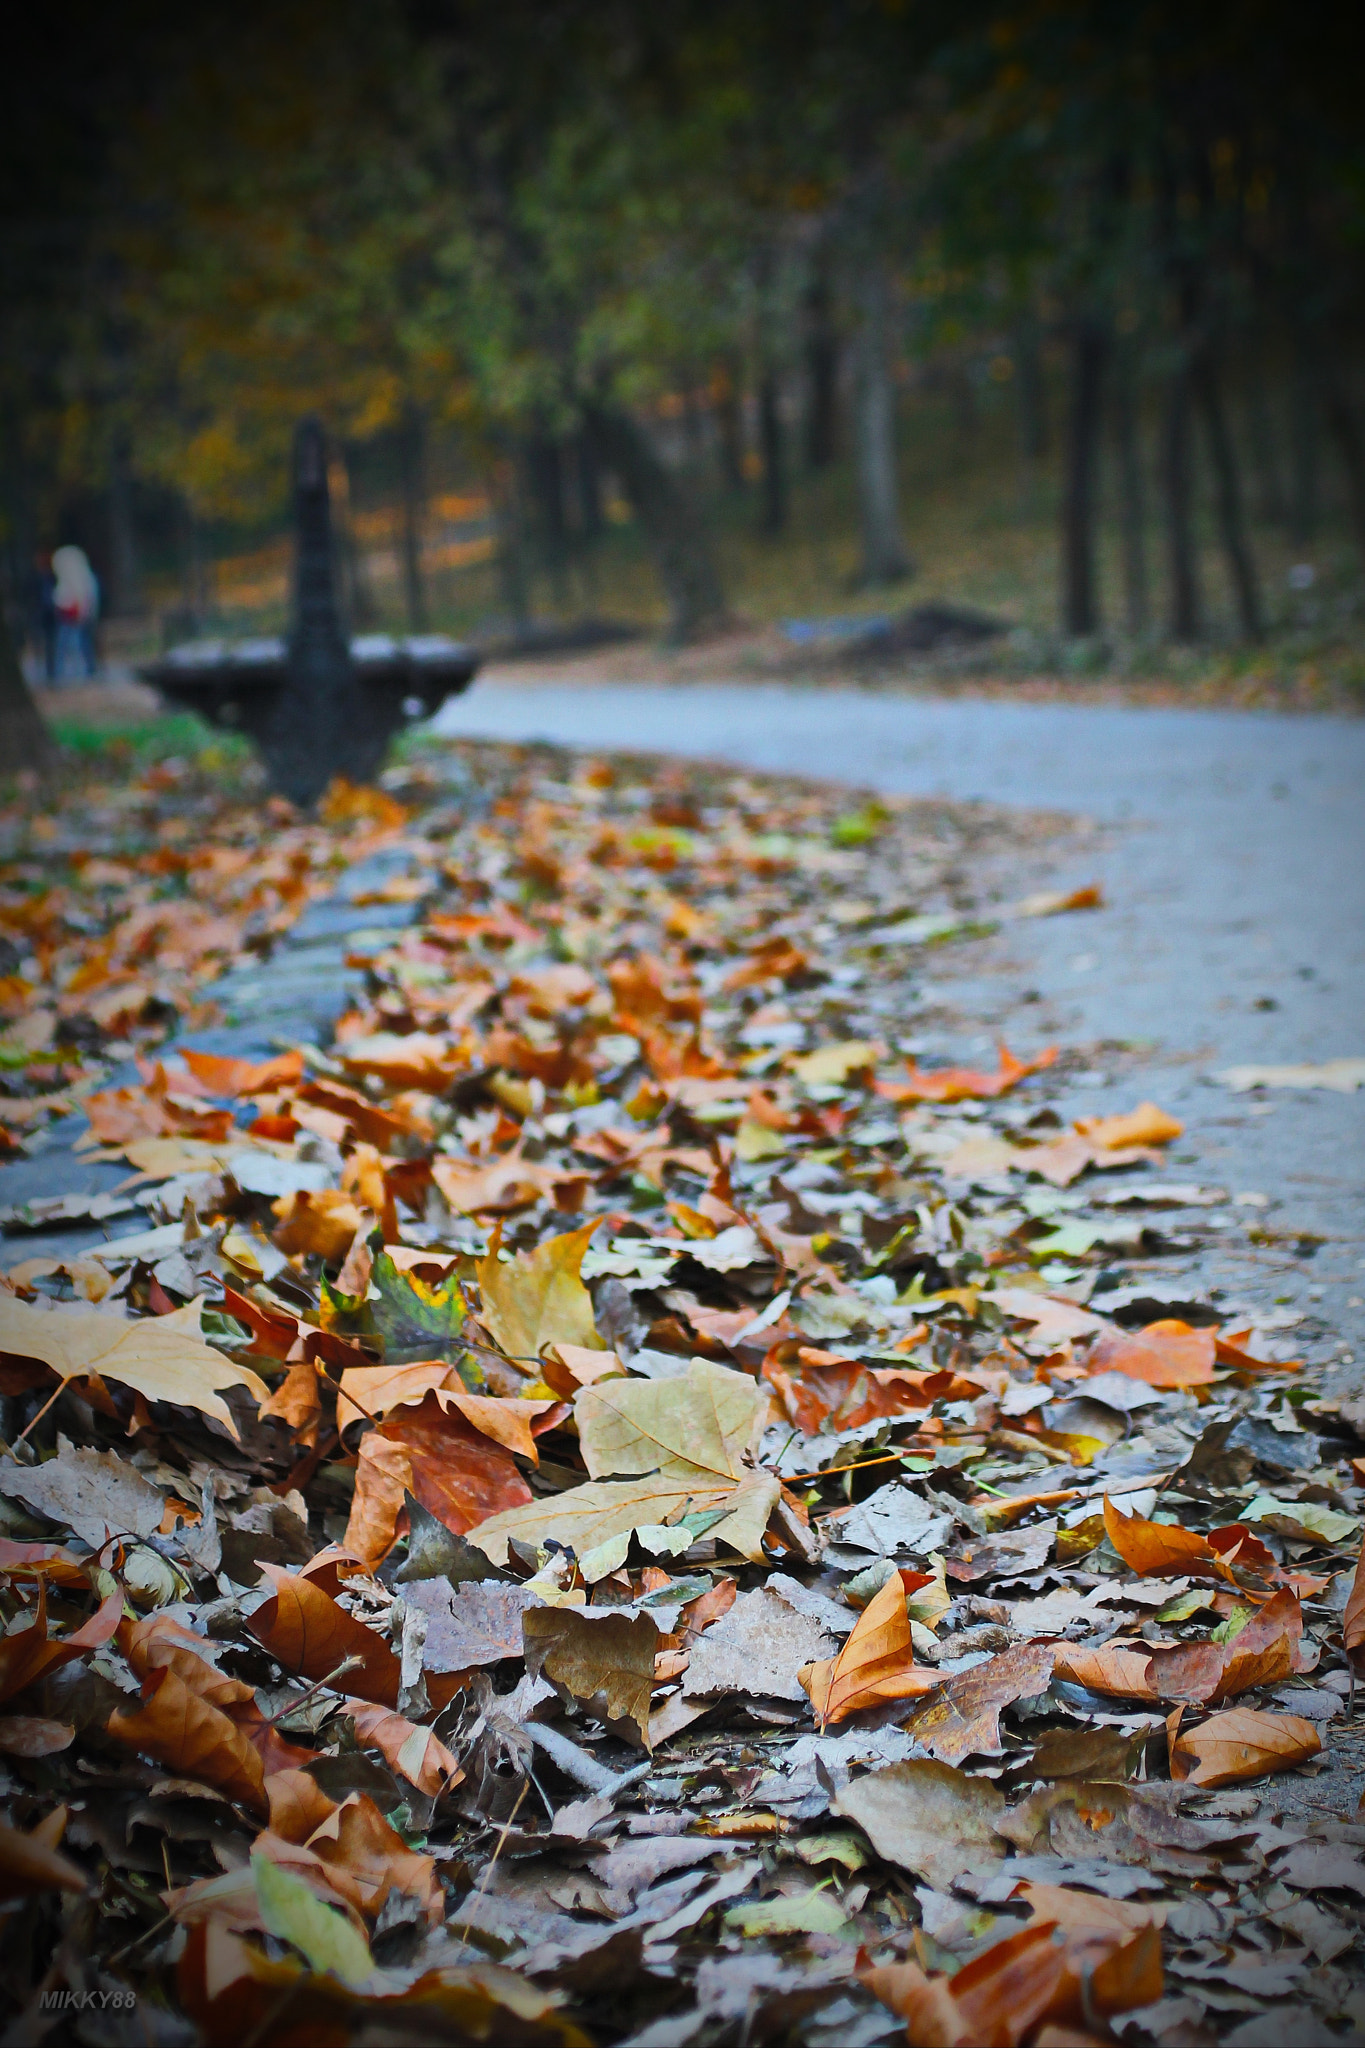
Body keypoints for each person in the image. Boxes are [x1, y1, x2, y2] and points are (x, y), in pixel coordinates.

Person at [52, 544, 100, 678]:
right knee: (71, 644)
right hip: (69, 616)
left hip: (76, 616)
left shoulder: (82, 578)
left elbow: (84, 598)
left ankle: (81, 672)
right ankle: (68, 673)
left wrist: (82, 612)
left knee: (76, 644)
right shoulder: (83, 578)